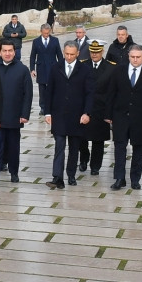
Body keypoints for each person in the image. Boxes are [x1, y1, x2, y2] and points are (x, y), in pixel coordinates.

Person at [105, 44, 142, 191]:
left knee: (139, 149)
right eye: (132, 57)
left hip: (141, 117)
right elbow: (111, 92)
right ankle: (119, 178)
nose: (135, 60)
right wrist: (108, 115)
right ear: (128, 56)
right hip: (120, 116)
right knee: (120, 148)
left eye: (138, 57)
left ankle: (135, 179)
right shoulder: (119, 70)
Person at [44, 41, 93, 189]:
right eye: (66, 54)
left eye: (72, 54)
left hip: (77, 115)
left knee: (74, 147)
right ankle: (57, 177)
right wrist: (47, 112)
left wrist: (87, 113)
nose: (69, 57)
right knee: (59, 146)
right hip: (59, 114)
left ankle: (71, 175)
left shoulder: (85, 70)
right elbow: (49, 92)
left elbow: (90, 94)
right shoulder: (55, 68)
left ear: (78, 53)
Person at [0, 39, 32, 186]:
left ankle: (14, 172)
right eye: (4, 50)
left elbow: (28, 94)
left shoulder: (22, 69)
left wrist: (25, 114)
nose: (7, 53)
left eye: (10, 51)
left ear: (14, 52)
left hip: (14, 116)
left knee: (13, 147)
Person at [79, 40, 114, 175]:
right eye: (92, 52)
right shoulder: (82, 65)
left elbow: (112, 91)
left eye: (97, 52)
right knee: (81, 138)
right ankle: (83, 159)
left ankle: (95, 166)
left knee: (98, 141)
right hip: (84, 108)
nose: (94, 55)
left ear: (102, 52)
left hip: (101, 109)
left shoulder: (111, 67)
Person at [29, 23, 63, 116]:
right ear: (41, 32)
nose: (46, 35)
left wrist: (61, 67)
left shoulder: (55, 40)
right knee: (42, 89)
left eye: (48, 33)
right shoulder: (36, 41)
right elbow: (32, 56)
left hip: (53, 67)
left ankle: (53, 106)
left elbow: (59, 55)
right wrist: (32, 69)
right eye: (44, 33)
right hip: (41, 68)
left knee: (53, 88)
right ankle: (43, 107)